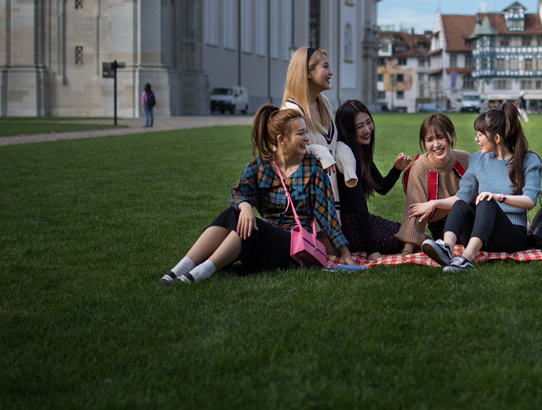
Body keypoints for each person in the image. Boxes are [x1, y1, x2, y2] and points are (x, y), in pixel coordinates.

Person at [159, 104, 351, 284]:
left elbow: (327, 217)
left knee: (251, 227)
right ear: (281, 139)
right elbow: (238, 192)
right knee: (233, 215)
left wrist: (346, 255)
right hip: (266, 240)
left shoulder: (314, 169)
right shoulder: (260, 167)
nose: (307, 138)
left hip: (295, 246)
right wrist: (245, 206)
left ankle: (203, 271)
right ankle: (179, 269)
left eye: (306, 132)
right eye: (301, 134)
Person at [422, 103, 542, 272]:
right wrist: (434, 203)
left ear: (497, 138)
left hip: (512, 236)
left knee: (486, 200)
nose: (476, 139)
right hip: (482, 235)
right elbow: (461, 197)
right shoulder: (478, 160)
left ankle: (467, 258)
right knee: (461, 204)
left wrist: (498, 197)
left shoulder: (528, 160)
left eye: (480, 134)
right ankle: (446, 247)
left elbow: (530, 201)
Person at [282, 47, 358, 233]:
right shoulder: (291, 110)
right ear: (307, 72)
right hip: (307, 202)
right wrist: (318, 151)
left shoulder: (324, 103)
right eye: (325, 67)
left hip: (332, 197)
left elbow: (332, 144)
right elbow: (288, 155)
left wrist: (346, 159)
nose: (331, 72)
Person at [334, 99, 412, 260]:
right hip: (349, 229)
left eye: (368, 122)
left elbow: (381, 188)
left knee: (410, 233)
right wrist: (372, 251)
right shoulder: (347, 157)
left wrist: (397, 169)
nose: (367, 129)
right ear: (348, 130)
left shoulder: (361, 151)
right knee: (404, 241)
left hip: (362, 222)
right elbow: (359, 206)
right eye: (359, 127)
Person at [399, 113, 472, 255]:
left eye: (440, 137)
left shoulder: (465, 159)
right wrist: (407, 250)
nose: (436, 145)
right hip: (441, 226)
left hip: (468, 220)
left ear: (451, 136)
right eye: (429, 140)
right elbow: (414, 209)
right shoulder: (420, 167)